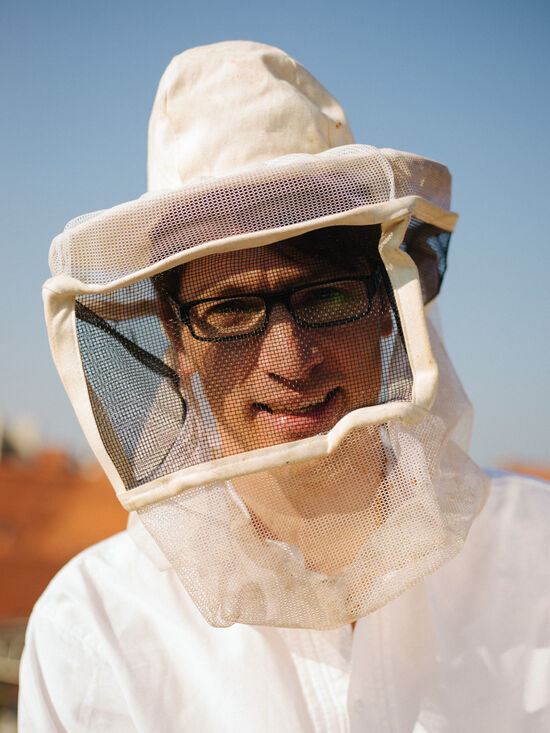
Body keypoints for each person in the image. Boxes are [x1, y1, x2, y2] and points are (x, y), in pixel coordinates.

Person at [19, 41, 550, 731]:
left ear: (391, 303)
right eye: (230, 311)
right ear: (176, 341)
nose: (290, 358)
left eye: (326, 296)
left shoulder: (535, 552)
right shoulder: (96, 629)